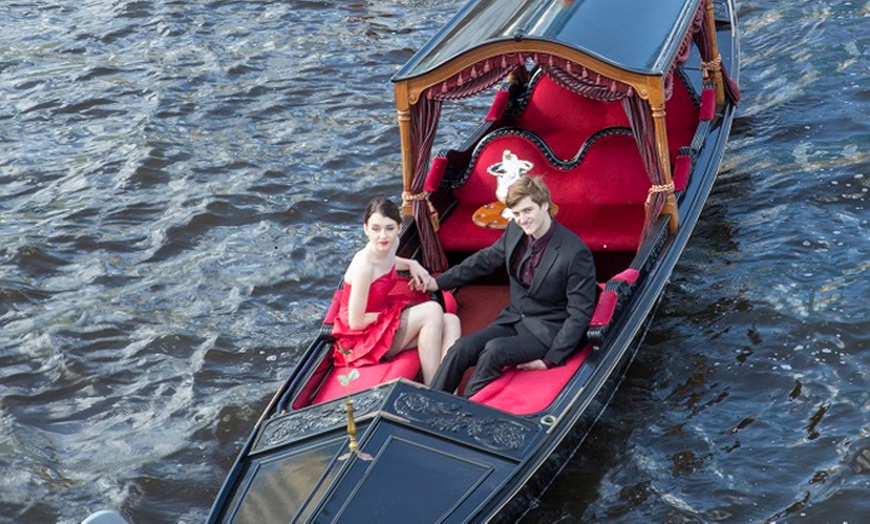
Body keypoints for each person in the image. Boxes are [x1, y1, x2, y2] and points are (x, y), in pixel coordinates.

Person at [425, 176, 597, 397]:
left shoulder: (575, 253)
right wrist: (439, 282)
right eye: (516, 214)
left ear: (545, 205)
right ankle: (431, 402)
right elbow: (485, 260)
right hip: (514, 318)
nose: (523, 219)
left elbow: (579, 313)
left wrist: (550, 359)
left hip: (547, 330)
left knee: (494, 351)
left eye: (527, 211)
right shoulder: (515, 230)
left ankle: (465, 409)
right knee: (461, 348)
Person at [332, 197, 461, 385]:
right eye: (375, 229)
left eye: (389, 228)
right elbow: (356, 321)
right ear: (366, 229)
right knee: (432, 310)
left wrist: (411, 263)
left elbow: (391, 260)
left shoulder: (393, 244)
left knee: (451, 321)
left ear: (399, 227)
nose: (383, 236)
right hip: (363, 336)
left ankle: (448, 388)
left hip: (382, 322)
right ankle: (434, 388)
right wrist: (394, 317)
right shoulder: (363, 265)